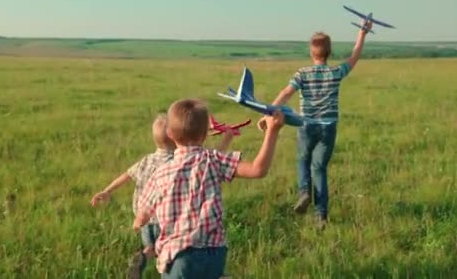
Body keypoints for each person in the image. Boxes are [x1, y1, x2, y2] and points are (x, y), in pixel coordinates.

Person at [134, 99, 285, 278]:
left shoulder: (160, 173)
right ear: (205, 134)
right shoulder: (213, 160)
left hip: (178, 257)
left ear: (170, 134)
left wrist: (139, 222)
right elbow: (258, 169)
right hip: (214, 255)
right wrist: (272, 131)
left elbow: (142, 216)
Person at [258, 20, 373, 230]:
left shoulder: (302, 74)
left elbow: (286, 93)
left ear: (312, 53)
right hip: (328, 128)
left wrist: (269, 111)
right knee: (319, 168)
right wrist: (362, 33)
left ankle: (304, 193)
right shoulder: (336, 72)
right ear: (329, 53)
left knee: (303, 160)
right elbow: (354, 56)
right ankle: (321, 216)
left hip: (307, 125)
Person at [90, 113, 176, 278]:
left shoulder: (147, 160)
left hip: (142, 219)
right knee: (168, 251)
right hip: (163, 220)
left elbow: (127, 175)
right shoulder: (174, 162)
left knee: (151, 247)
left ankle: (143, 257)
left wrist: (107, 190)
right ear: (176, 137)